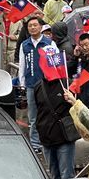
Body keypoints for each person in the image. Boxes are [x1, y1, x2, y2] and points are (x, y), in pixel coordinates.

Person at [34, 70, 78, 179]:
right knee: (55, 177)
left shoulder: (67, 85)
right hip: (46, 139)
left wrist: (72, 99)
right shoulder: (38, 86)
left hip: (64, 138)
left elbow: (79, 108)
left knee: (67, 177)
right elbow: (37, 109)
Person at [18, 16, 57, 153]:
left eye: (35, 25)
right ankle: (35, 144)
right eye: (30, 26)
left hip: (47, 85)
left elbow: (56, 64)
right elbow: (22, 65)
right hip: (30, 84)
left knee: (47, 114)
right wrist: (22, 83)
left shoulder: (49, 43)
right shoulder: (25, 45)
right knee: (33, 116)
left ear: (41, 27)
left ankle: (47, 141)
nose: (33, 28)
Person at [72, 33, 89, 112]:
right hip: (82, 97)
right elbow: (70, 71)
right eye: (82, 45)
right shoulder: (81, 57)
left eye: (87, 44)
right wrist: (75, 57)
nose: (84, 48)